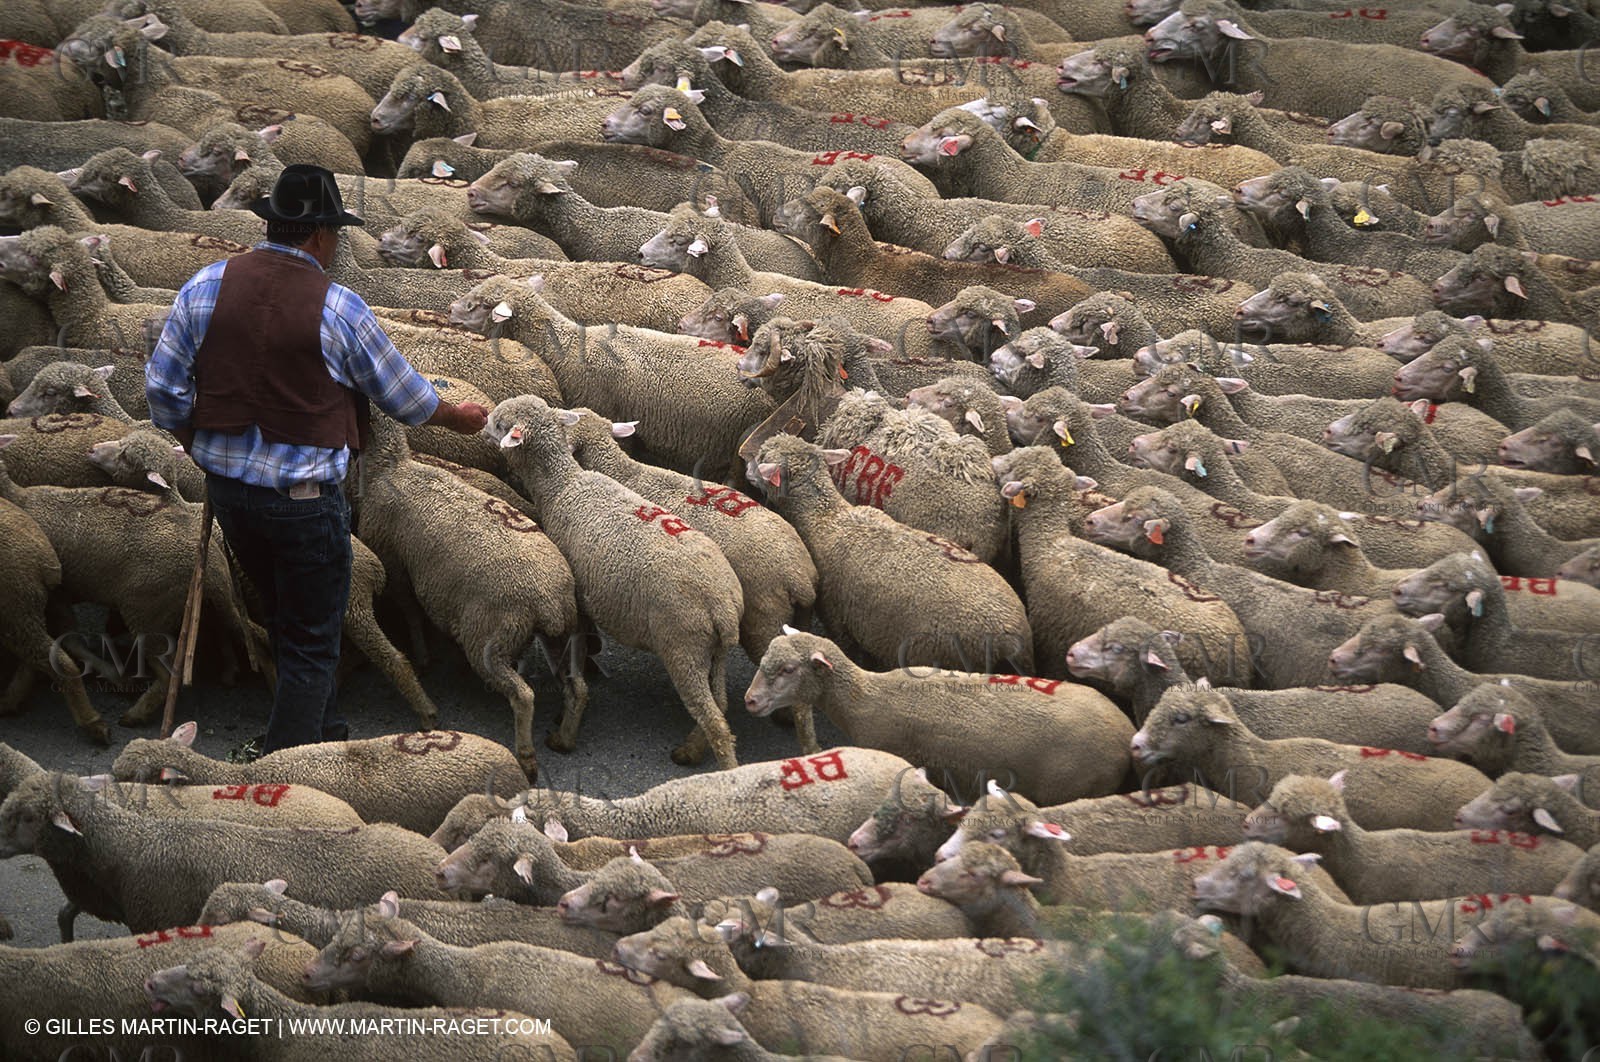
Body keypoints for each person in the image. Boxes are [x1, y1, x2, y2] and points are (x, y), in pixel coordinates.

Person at [145, 164, 489, 758]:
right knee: (311, 638)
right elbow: (404, 399)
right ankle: (291, 764)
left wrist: (196, 442)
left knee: (283, 615)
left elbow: (164, 392)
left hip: (229, 493)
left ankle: (324, 733)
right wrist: (458, 416)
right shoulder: (338, 306)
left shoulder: (204, 286)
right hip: (303, 504)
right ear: (322, 234)